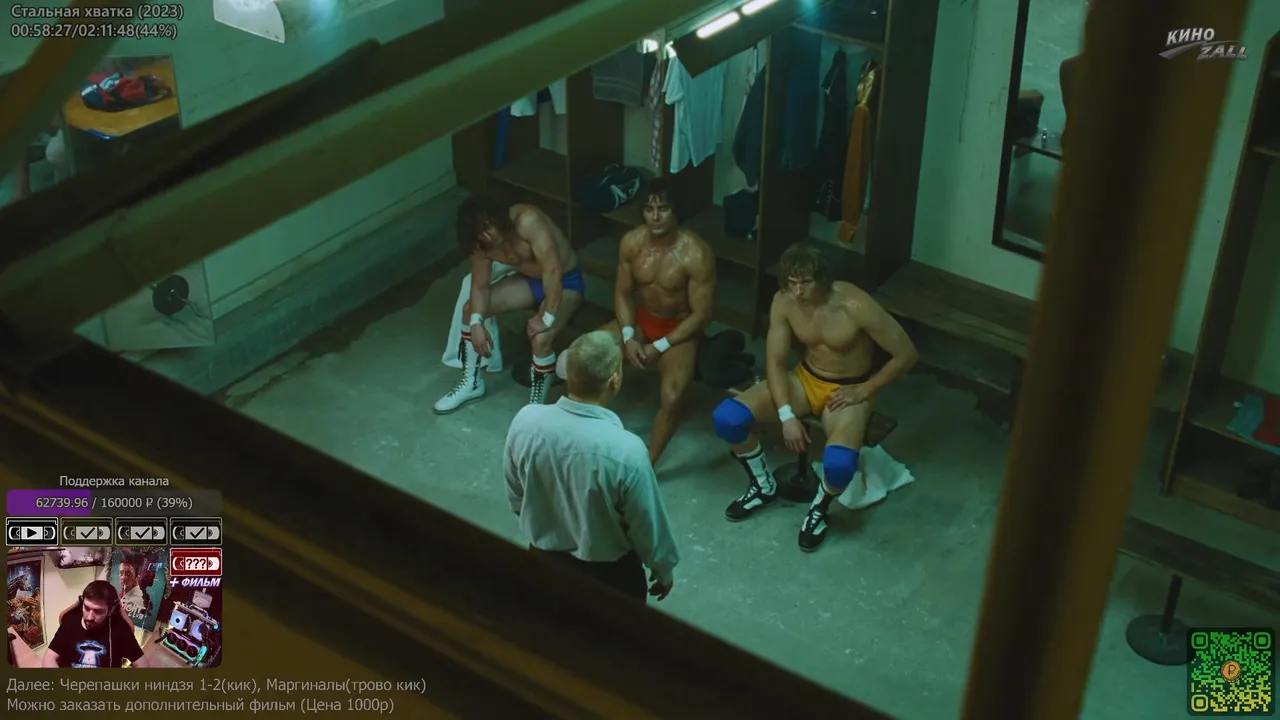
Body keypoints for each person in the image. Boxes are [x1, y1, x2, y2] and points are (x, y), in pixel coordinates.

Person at [710, 242, 918, 552]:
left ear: (822, 280)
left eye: (805, 282)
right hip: (806, 379)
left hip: (847, 391)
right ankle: (763, 486)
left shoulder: (855, 305)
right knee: (728, 418)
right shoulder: (784, 302)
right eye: (791, 282)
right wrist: (786, 416)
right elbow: (775, 362)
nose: (797, 291)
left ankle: (819, 509)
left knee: (839, 465)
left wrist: (864, 390)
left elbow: (906, 354)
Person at [505, 330, 679, 602]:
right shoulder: (626, 451)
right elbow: (646, 524)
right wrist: (662, 568)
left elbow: (517, 494)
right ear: (614, 380)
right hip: (609, 576)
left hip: (542, 562)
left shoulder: (525, 423)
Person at [559, 179, 716, 466]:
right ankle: (577, 436)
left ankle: (646, 463)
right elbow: (623, 292)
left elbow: (702, 314)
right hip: (641, 320)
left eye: (663, 209)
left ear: (675, 211)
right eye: (648, 209)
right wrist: (629, 335)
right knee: (584, 360)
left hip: (678, 331)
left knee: (672, 396)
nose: (655, 216)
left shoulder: (696, 253)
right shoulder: (632, 243)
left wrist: (662, 345)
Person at [435, 193, 585, 413]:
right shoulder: (482, 244)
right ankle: (472, 384)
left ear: (497, 217)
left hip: (565, 283)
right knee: (470, 310)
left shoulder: (527, 221)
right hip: (531, 282)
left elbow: (553, 269)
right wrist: (476, 323)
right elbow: (480, 286)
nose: (488, 236)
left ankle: (535, 408)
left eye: (489, 227)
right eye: (480, 233)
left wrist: (546, 317)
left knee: (541, 337)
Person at [41, 580, 151, 668]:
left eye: (98, 611)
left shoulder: (120, 628)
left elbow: (142, 665)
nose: (89, 617)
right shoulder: (70, 622)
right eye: (86, 608)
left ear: (111, 610)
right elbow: (49, 658)